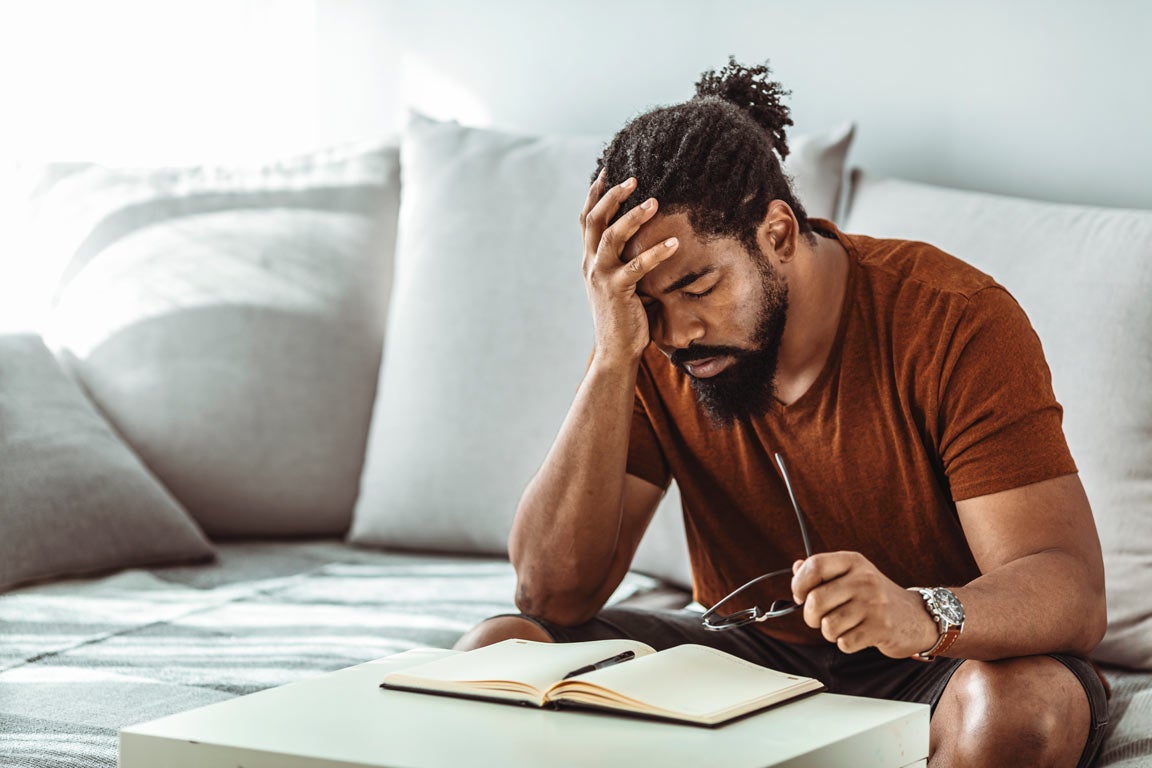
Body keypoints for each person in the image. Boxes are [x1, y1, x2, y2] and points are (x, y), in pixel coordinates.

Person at [455, 59, 1108, 768]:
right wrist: (614, 355)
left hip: (943, 664)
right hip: (748, 665)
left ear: (778, 235)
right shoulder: (647, 346)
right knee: (502, 652)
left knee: (1021, 713)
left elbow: (1067, 586)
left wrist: (919, 612)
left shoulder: (953, 320)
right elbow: (551, 591)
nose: (677, 335)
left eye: (699, 286)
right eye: (648, 304)